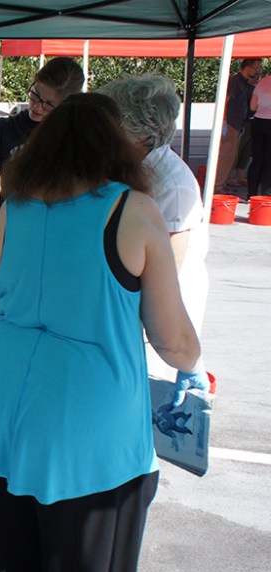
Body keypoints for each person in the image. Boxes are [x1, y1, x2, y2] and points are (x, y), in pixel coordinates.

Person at [0, 93, 207, 572]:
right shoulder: (133, 209)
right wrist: (193, 364)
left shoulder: (15, 204)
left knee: (5, 533)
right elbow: (174, 340)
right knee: (88, 557)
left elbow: (3, 288)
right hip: (84, 415)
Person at [100, 74, 209, 380]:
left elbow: (163, 279)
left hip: (158, 323)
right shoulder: (124, 166)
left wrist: (185, 358)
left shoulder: (173, 186)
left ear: (140, 135)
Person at [0, 57, 84, 310]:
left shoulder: (76, 138)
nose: (37, 106)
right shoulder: (3, 130)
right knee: (4, 315)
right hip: (8, 238)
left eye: (49, 104)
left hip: (57, 242)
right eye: (35, 95)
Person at [215, 59, 263, 192]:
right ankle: (218, 186)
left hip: (236, 124)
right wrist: (223, 121)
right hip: (230, 123)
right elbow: (225, 101)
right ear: (248, 68)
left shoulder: (243, 83)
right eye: (256, 68)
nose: (257, 71)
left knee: (232, 155)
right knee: (226, 155)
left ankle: (223, 183)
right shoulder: (235, 82)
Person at [248, 70, 271, 198]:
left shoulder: (262, 83)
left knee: (257, 159)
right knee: (269, 160)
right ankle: (266, 193)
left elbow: (252, 107)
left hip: (258, 123)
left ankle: (251, 193)